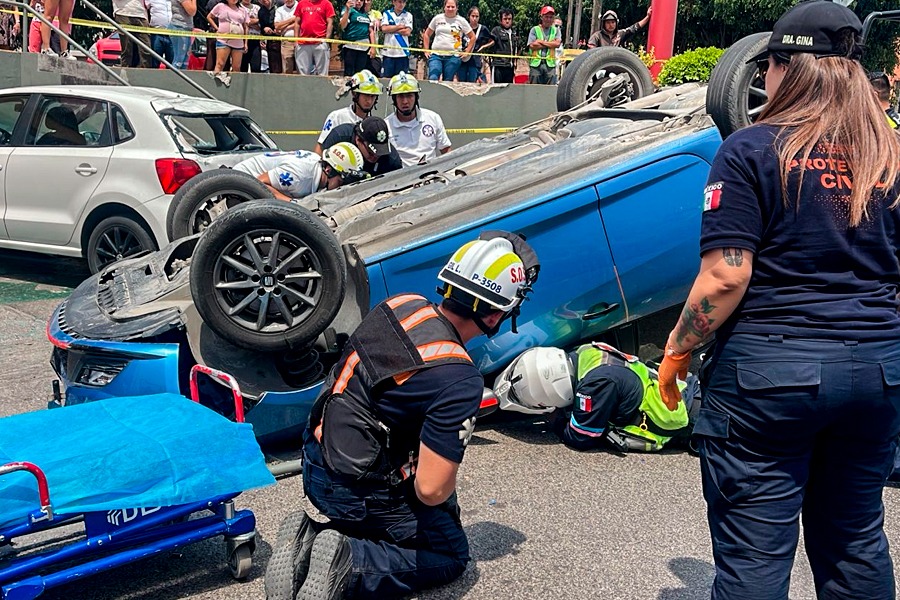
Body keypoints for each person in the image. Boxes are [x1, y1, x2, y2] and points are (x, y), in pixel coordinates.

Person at [654, 3, 900, 598]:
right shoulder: (891, 156)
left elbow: (726, 277)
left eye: (769, 64)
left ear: (789, 69)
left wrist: (676, 351)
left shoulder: (752, 149)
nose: (763, 77)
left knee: (755, 557)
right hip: (878, 373)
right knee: (855, 540)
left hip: (770, 376)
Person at [277, 231, 539, 599]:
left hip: (317, 458)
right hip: (351, 488)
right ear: (495, 316)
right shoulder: (459, 378)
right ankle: (346, 561)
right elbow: (430, 490)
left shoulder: (401, 304)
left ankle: (312, 539)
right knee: (447, 553)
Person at [494, 344, 695, 452]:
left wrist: (556, 421)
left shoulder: (595, 386)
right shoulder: (585, 353)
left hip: (695, 419)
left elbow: (581, 437)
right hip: (687, 392)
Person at [232, 143, 367, 200]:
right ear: (329, 169)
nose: (341, 186)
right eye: (341, 181)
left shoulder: (315, 168)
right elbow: (257, 183)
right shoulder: (301, 175)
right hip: (236, 187)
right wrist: (291, 203)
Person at [385, 72, 451, 167]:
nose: (405, 101)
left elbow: (446, 151)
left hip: (431, 177)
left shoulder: (433, 118)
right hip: (400, 179)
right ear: (394, 99)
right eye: (400, 96)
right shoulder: (386, 126)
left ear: (416, 97)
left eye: (409, 96)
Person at [314, 69, 384, 155]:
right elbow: (320, 148)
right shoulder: (337, 117)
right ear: (354, 94)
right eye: (365, 95)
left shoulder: (374, 124)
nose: (369, 101)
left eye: (372, 96)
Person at [321, 116, 403, 176]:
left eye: (380, 153)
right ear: (358, 140)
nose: (375, 157)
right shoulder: (339, 137)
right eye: (370, 152)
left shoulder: (392, 160)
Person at [422, 0, 474, 82]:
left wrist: (467, 51)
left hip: (453, 56)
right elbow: (426, 34)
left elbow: (472, 37)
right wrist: (426, 50)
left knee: (447, 81)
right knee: (433, 77)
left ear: (457, 8)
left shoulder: (461, 20)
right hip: (436, 55)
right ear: (444, 7)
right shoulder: (437, 18)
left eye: (453, 7)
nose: (450, 9)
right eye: (448, 7)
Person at [206, 0, 248, 86]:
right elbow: (209, 17)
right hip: (223, 40)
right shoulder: (220, 6)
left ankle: (234, 85)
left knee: (236, 67)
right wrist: (216, 28)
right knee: (220, 64)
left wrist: (246, 42)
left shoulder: (243, 10)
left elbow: (245, 27)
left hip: (238, 42)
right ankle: (214, 85)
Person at [294, 0, 334, 76]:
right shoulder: (301, 3)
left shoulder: (326, 3)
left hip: (320, 43)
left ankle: (322, 88)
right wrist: (296, 41)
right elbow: (297, 23)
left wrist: (326, 39)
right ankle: (304, 88)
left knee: (322, 74)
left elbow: (330, 22)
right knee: (303, 74)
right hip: (303, 43)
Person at [527, 5, 560, 85]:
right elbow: (532, 45)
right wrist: (550, 43)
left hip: (550, 65)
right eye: (546, 17)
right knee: (533, 89)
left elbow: (557, 44)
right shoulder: (534, 29)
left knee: (549, 91)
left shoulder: (556, 30)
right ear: (541, 17)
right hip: (536, 64)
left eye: (551, 17)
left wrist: (540, 42)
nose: (548, 19)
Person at [458, 6, 492, 83]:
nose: (475, 18)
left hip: (475, 60)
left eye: (477, 16)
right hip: (463, 59)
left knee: (472, 81)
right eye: (473, 16)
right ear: (469, 16)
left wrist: (483, 47)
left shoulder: (483, 29)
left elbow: (492, 40)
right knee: (461, 82)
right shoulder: (463, 28)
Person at [113, 0, 152, 67]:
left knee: (146, 48)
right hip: (123, 12)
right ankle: (125, 71)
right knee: (127, 48)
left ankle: (145, 72)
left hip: (141, 14)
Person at [338, 0, 372, 76]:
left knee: (360, 74)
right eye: (357, 0)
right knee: (349, 73)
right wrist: (347, 10)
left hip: (363, 48)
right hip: (351, 46)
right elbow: (342, 26)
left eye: (361, 0)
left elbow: (370, 30)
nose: (359, 2)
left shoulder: (365, 13)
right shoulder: (349, 10)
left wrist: (372, 47)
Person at [380, 0, 411, 78]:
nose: (402, 4)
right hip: (388, 53)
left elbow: (407, 32)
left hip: (402, 53)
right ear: (394, 2)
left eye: (404, 2)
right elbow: (384, 29)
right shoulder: (386, 13)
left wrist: (391, 28)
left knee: (402, 79)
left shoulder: (408, 15)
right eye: (399, 2)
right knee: (387, 78)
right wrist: (399, 26)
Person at [489, 8, 517, 84]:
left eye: (509, 19)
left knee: (509, 91)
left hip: (510, 67)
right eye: (505, 19)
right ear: (501, 20)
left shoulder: (514, 33)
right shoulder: (496, 30)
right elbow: (490, 43)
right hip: (498, 66)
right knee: (496, 89)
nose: (507, 21)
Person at [169, 0, 197, 70]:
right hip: (179, 27)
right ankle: (173, 79)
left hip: (185, 27)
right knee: (179, 60)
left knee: (185, 61)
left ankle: (181, 80)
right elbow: (192, 11)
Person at [148, 0, 173, 68]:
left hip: (172, 35)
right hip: (156, 34)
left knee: (172, 63)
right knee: (154, 62)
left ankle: (171, 78)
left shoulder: (175, 1)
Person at [239, 0, 262, 72]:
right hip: (241, 40)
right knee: (243, 66)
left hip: (256, 40)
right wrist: (253, 22)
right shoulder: (238, 7)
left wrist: (250, 23)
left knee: (256, 67)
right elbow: (243, 22)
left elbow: (261, 23)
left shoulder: (257, 8)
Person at [274, 0, 297, 74]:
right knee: (287, 67)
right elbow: (277, 26)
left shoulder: (300, 6)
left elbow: (301, 22)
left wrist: (286, 27)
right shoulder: (279, 10)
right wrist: (291, 20)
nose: (288, 0)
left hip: (301, 40)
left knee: (302, 67)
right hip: (286, 41)